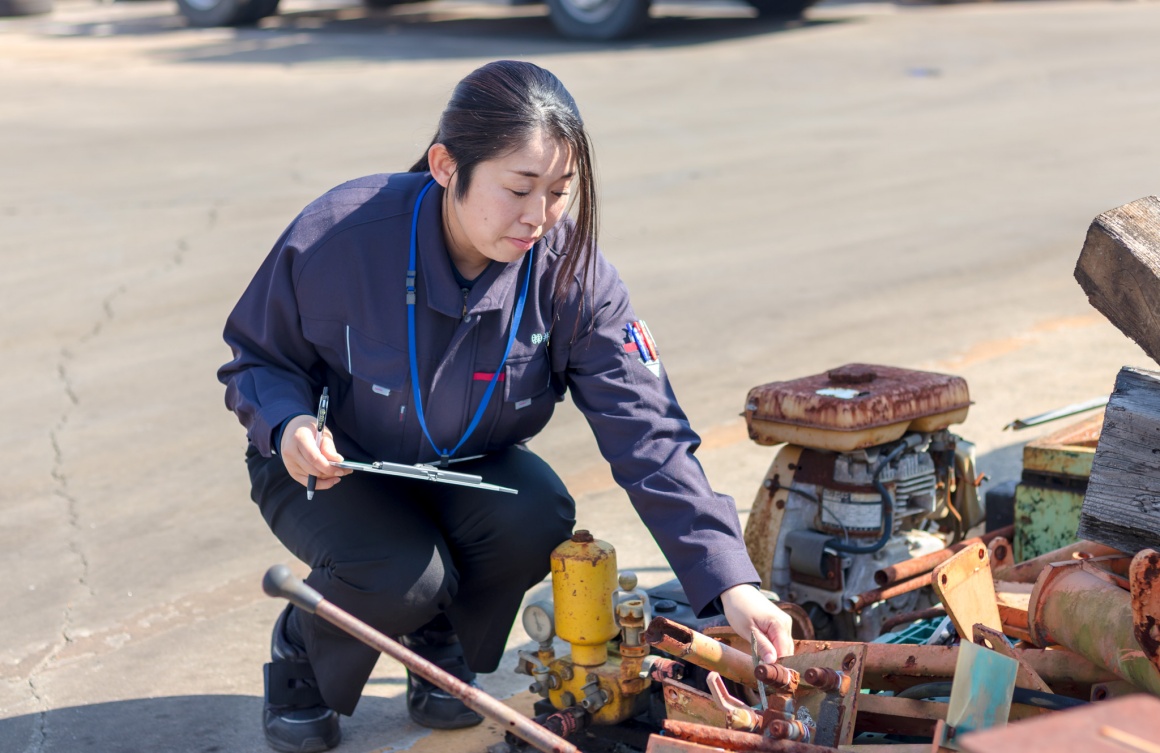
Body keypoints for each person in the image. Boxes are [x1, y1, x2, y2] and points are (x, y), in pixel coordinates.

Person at [218, 59, 793, 753]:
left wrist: (730, 582)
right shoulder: (342, 235)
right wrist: (289, 424)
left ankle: (441, 632)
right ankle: (302, 657)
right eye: (519, 188)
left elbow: (652, 438)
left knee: (539, 514)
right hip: (333, 467)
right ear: (444, 165)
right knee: (400, 574)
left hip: (465, 466)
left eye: (559, 191)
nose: (538, 217)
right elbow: (258, 355)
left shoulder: (573, 274)